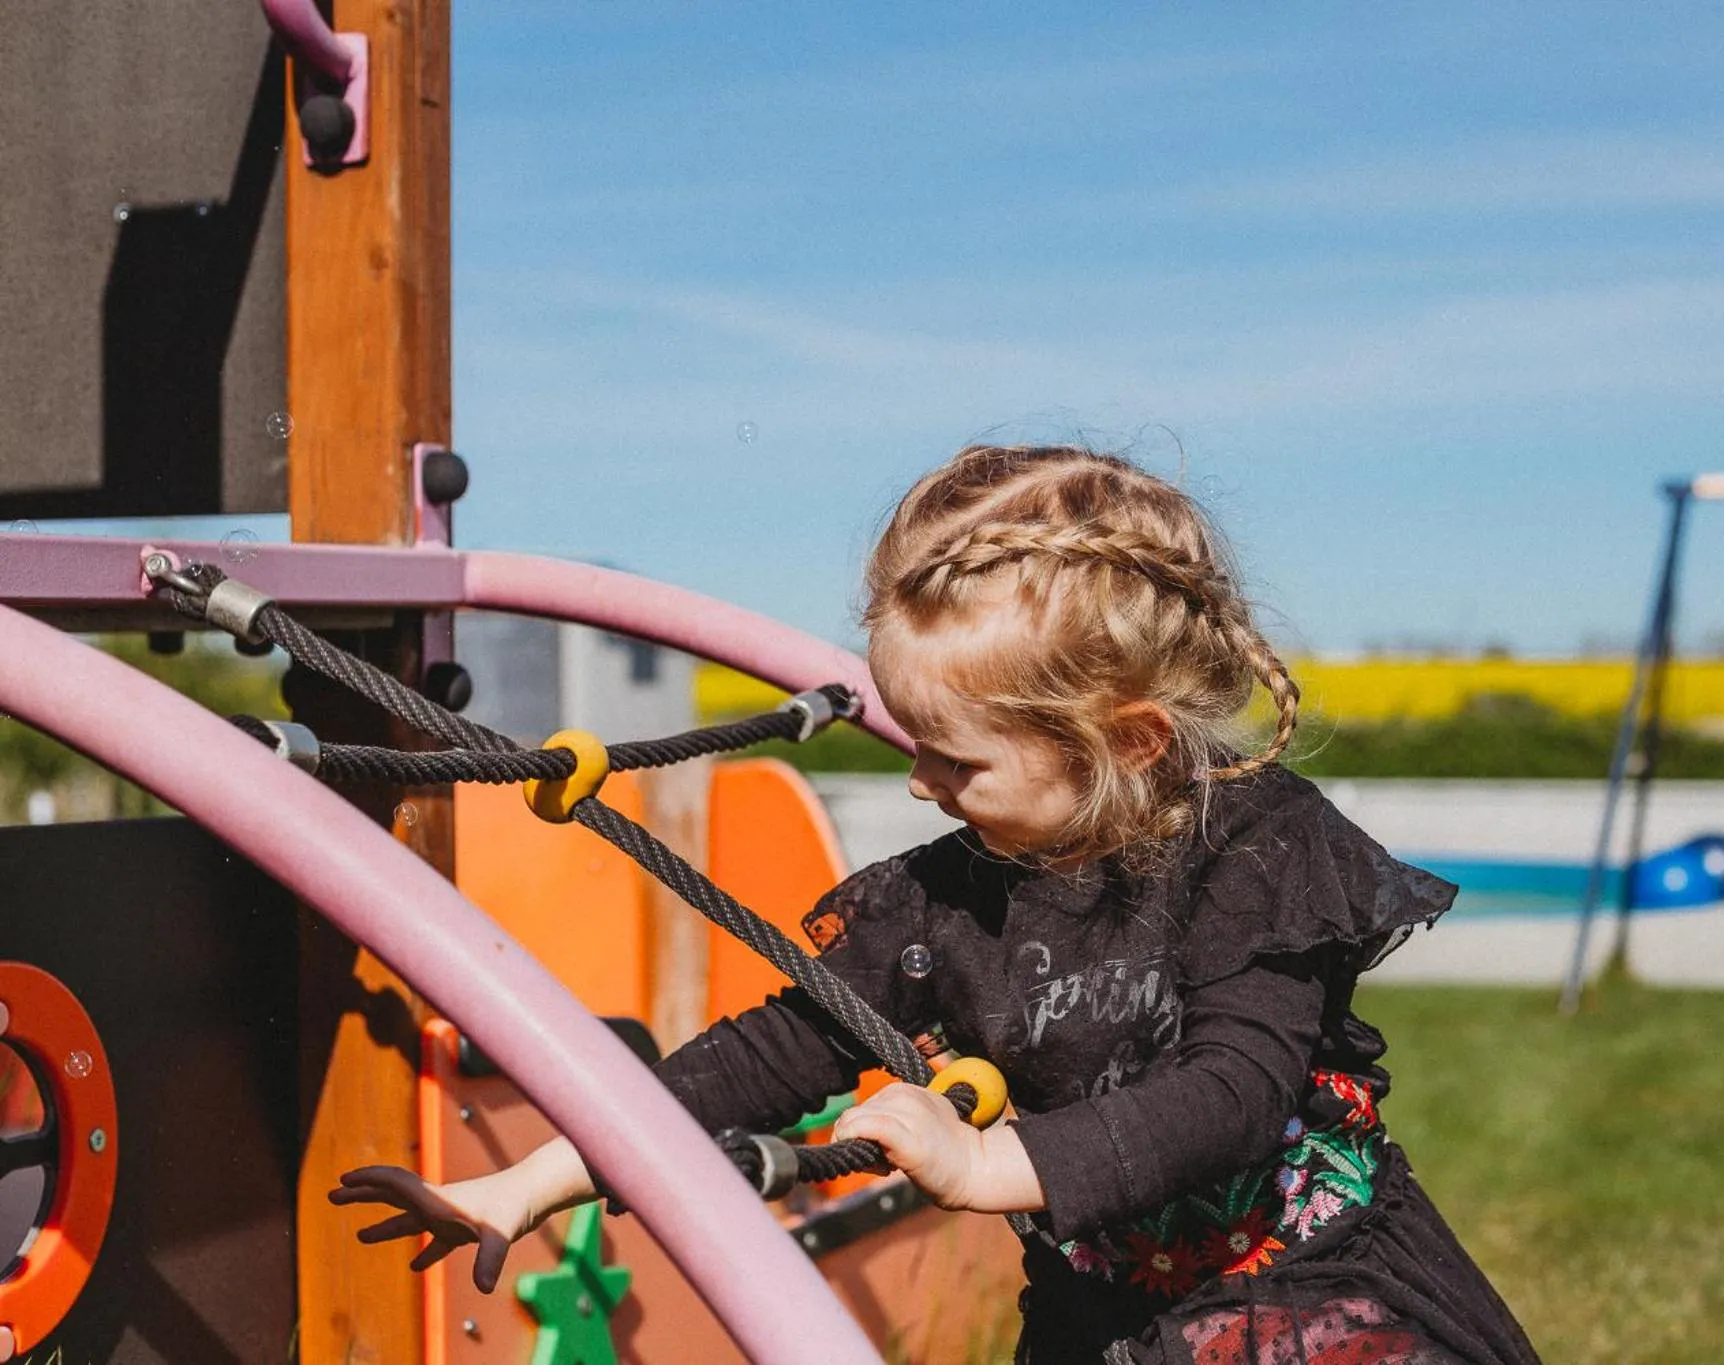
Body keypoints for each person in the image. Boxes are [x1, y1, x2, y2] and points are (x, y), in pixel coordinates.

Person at [331, 444, 1540, 1365]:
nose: (917, 784)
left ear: (1122, 739)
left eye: (956, 761)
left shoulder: (1253, 851)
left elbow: (1232, 1096)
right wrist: (528, 1180)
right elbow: (753, 1063)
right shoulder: (937, 905)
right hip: (1099, 1317)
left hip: (1305, 1301)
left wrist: (982, 1164)